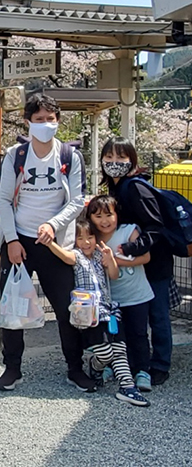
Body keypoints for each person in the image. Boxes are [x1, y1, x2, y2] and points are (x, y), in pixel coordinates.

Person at [0, 93, 95, 392]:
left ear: (58, 121)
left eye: (50, 119)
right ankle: (12, 368)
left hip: (56, 244)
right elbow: (3, 198)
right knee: (13, 308)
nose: (45, 125)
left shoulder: (69, 156)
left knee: (67, 308)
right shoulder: (16, 155)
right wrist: (11, 240)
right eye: (39, 120)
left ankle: (74, 368)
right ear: (28, 123)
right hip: (19, 242)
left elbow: (78, 199)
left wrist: (54, 225)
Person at [47, 219, 150, 407]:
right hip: (88, 314)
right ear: (75, 241)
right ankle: (95, 366)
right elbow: (64, 256)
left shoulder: (99, 255)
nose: (86, 242)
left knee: (119, 348)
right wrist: (49, 242)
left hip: (109, 309)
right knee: (104, 351)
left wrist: (110, 259)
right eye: (81, 238)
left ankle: (128, 388)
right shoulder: (76, 256)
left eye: (90, 237)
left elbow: (114, 275)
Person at [100, 136, 174, 387]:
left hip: (154, 263)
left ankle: (160, 364)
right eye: (109, 157)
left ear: (131, 160)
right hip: (135, 264)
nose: (114, 162)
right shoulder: (117, 187)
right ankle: (134, 361)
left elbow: (155, 226)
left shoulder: (135, 188)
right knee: (134, 316)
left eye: (121, 158)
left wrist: (132, 247)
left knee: (157, 313)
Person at [86, 194, 154, 391]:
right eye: (98, 216)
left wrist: (115, 262)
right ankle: (114, 368)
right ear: (90, 218)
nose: (104, 221)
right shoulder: (92, 238)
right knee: (115, 337)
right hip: (111, 300)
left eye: (109, 215)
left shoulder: (129, 231)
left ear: (117, 215)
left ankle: (142, 370)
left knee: (139, 334)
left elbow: (146, 257)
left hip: (137, 295)